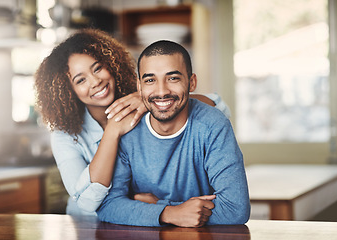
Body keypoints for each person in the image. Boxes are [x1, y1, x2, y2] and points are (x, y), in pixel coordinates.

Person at [34, 29, 230, 216]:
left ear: (111, 64)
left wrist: (149, 99)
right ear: (68, 91)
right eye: (80, 80)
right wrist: (112, 131)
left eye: (98, 68)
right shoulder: (65, 135)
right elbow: (86, 201)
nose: (95, 81)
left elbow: (219, 106)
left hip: (143, 221)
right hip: (89, 226)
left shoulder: (145, 101)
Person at [97, 40, 250, 227]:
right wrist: (169, 213)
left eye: (173, 78)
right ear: (139, 86)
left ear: (191, 82)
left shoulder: (214, 125)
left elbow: (236, 209)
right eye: (150, 80)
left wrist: (158, 207)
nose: (161, 91)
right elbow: (108, 205)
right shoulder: (127, 130)